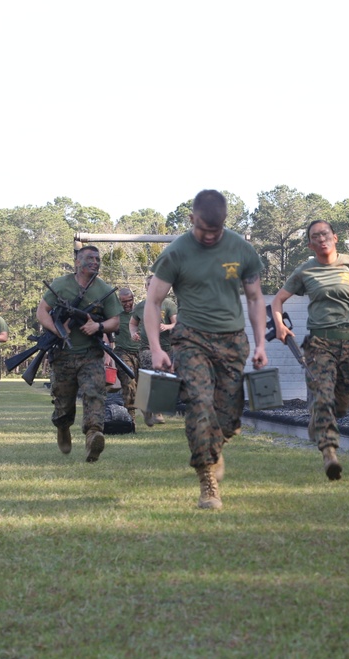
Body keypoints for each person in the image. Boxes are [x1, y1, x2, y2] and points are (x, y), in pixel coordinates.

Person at [146, 189, 267, 510]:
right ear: (191, 219)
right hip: (191, 340)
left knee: (228, 419)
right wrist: (157, 347)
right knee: (200, 406)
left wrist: (261, 343)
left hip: (232, 341)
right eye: (203, 229)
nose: (210, 236)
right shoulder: (176, 253)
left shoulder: (241, 249)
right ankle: (207, 483)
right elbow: (154, 301)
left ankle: (215, 448)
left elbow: (255, 299)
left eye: (217, 229)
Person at [271, 220, 349, 481]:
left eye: (325, 234)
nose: (321, 239)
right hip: (318, 343)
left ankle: (317, 420)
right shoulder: (305, 271)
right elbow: (277, 300)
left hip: (348, 343)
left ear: (335, 237)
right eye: (315, 237)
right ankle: (329, 452)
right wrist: (280, 326)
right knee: (323, 397)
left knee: (340, 406)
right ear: (310, 243)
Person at [36, 245, 122, 463]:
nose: (95, 262)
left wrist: (98, 327)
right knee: (63, 405)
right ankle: (63, 427)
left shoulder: (104, 289)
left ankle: (94, 435)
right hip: (63, 355)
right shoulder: (61, 285)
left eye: (97, 258)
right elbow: (41, 311)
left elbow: (115, 321)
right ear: (77, 262)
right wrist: (57, 330)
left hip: (91, 354)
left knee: (95, 394)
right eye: (90, 258)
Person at [130, 274, 178, 426]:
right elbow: (132, 323)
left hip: (165, 348)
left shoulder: (168, 304)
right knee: (151, 375)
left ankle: (149, 409)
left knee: (164, 378)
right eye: (149, 284)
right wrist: (133, 333)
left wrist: (168, 326)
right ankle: (153, 411)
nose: (152, 286)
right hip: (146, 347)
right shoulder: (141, 306)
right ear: (146, 287)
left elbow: (176, 323)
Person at [113, 287, 141, 422]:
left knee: (141, 385)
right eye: (123, 302)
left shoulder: (140, 312)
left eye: (129, 300)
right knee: (129, 384)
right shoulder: (116, 314)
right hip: (122, 352)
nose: (127, 304)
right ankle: (131, 418)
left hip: (140, 352)